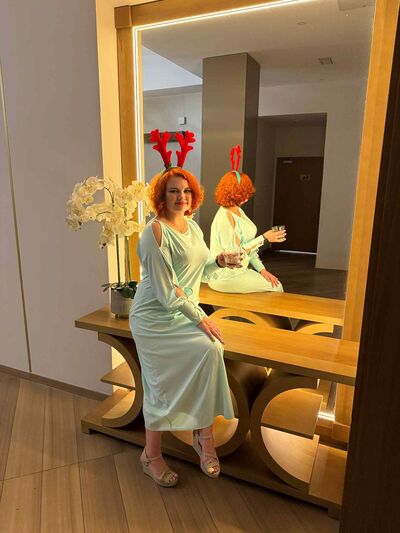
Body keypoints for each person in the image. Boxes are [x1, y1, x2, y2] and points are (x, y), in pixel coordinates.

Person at [129, 130, 234, 488]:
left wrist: (220, 260)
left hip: (182, 312)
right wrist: (202, 318)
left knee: (211, 350)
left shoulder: (192, 226)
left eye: (186, 191)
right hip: (155, 318)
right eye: (173, 191)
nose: (181, 197)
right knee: (159, 385)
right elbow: (165, 292)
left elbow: (199, 268)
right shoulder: (154, 232)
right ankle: (151, 456)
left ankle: (203, 438)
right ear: (161, 196)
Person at [209, 145, 286, 294]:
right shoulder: (224, 218)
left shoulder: (238, 210)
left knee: (275, 284)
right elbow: (233, 254)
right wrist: (264, 238)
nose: (247, 197)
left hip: (240, 271)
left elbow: (248, 247)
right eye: (243, 193)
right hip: (226, 276)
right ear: (234, 194)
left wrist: (262, 270)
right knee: (276, 288)